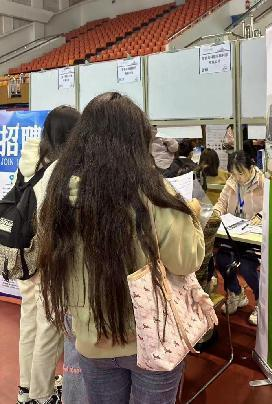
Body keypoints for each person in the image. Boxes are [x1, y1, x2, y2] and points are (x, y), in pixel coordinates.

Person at [37, 92, 205, 404]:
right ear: (137, 140)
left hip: (91, 338)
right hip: (153, 338)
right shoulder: (153, 192)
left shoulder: (59, 192)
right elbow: (186, 260)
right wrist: (192, 215)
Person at [17, 106, 81, 404]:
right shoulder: (63, 169)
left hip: (24, 252)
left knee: (30, 322)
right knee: (49, 327)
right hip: (48, 255)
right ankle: (41, 396)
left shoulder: (31, 157)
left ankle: (26, 388)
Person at [213, 151, 264, 326]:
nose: (237, 178)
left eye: (240, 173)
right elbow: (221, 203)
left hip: (253, 236)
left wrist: (262, 215)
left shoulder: (264, 183)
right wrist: (216, 212)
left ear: (251, 167)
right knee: (222, 259)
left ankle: (261, 302)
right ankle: (236, 293)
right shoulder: (232, 182)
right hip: (234, 233)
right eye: (234, 174)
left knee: (247, 266)